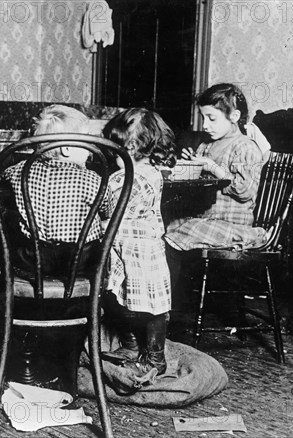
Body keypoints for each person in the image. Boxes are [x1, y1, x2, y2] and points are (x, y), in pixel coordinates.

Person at [101, 108, 177, 386]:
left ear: (130, 146)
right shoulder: (152, 171)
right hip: (133, 246)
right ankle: (133, 347)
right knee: (127, 299)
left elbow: (107, 212)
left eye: (116, 147)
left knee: (148, 305)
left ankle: (155, 357)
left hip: (137, 248)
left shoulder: (126, 178)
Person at [164, 83, 267, 288]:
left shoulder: (245, 146)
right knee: (167, 227)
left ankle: (170, 304)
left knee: (173, 240)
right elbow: (201, 182)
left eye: (212, 118)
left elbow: (245, 190)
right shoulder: (207, 144)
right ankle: (168, 301)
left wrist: (213, 167)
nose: (205, 125)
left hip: (233, 225)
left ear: (235, 116)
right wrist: (193, 163)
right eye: (203, 118)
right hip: (209, 219)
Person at [1, 104, 113, 276]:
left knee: (14, 243)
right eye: (87, 143)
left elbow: (3, 179)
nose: (91, 151)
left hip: (35, 260)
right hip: (79, 261)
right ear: (66, 149)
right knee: (103, 246)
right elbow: (107, 209)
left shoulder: (19, 171)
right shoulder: (94, 179)